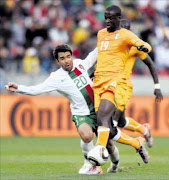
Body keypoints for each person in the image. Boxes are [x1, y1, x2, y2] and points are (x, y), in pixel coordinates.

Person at [5, 44, 105, 175]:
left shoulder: (80, 64)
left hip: (98, 108)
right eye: (62, 58)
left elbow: (92, 56)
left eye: (68, 57)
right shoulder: (56, 78)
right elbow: (38, 89)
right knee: (87, 136)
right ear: (58, 61)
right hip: (81, 113)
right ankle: (90, 164)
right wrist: (19, 88)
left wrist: (104, 41)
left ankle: (115, 164)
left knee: (110, 143)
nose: (67, 60)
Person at [91, 5, 152, 165]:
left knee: (104, 116)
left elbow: (144, 45)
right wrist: (94, 72)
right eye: (106, 18)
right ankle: (137, 143)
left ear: (119, 18)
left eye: (111, 18)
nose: (108, 21)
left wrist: (143, 46)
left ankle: (98, 151)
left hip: (115, 82)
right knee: (107, 128)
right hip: (98, 81)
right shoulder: (101, 34)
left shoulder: (125, 35)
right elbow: (103, 56)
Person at [106, 19, 163, 173]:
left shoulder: (135, 47)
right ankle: (144, 131)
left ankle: (108, 156)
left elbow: (150, 64)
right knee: (122, 122)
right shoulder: (112, 44)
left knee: (113, 122)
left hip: (123, 87)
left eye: (126, 30)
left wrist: (157, 86)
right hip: (110, 85)